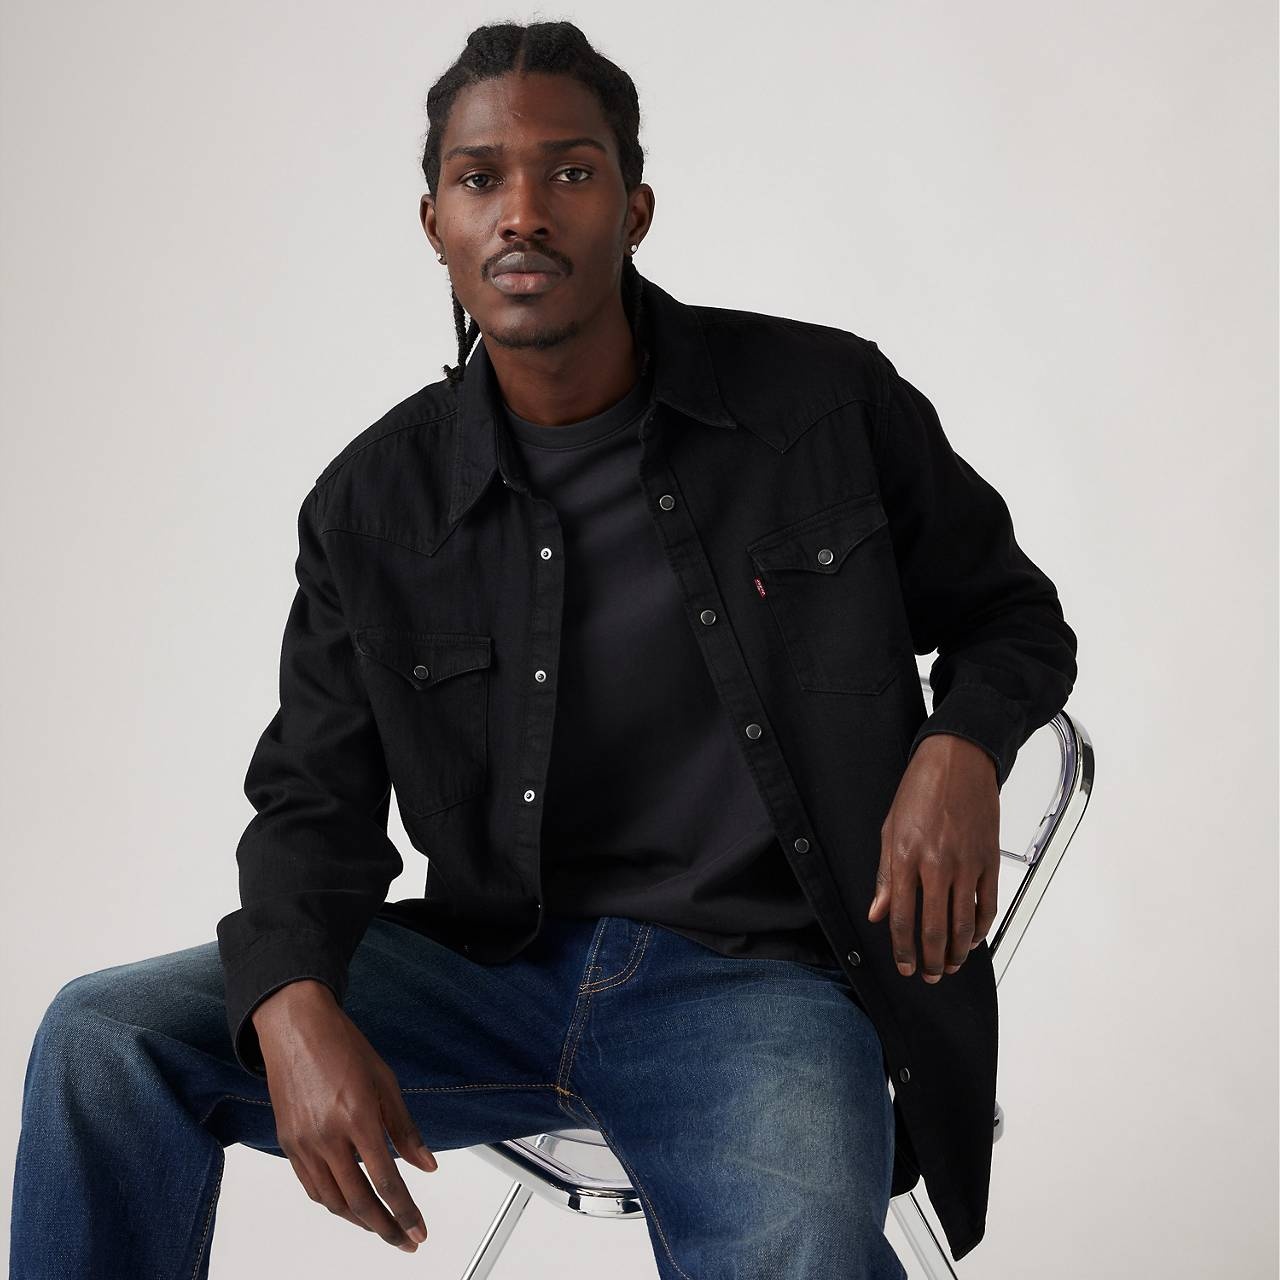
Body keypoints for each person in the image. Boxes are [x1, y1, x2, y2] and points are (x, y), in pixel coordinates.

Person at [9, 20, 1078, 1280]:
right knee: (102, 1039)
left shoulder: (821, 404)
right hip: (487, 972)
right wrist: (290, 995)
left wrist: (960, 745)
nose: (521, 212)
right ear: (434, 225)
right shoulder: (373, 504)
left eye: (569, 171)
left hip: (758, 985)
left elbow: (1011, 614)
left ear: (634, 208)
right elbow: (311, 797)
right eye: (479, 179)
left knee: (795, 1240)